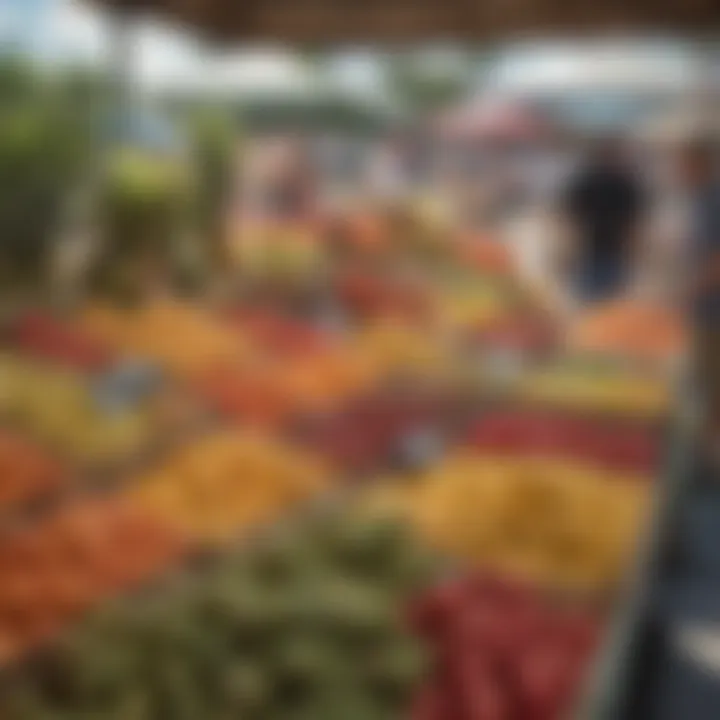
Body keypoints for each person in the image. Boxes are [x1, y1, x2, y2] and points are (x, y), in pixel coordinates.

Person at [562, 136, 648, 303]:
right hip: (614, 246)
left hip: (589, 246)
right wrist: (635, 246)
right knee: (612, 296)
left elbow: (571, 216)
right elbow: (635, 219)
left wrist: (569, 247)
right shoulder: (626, 182)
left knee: (589, 296)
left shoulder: (584, 181)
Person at [677, 136, 720, 450]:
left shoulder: (712, 202)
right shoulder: (703, 200)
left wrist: (687, 293)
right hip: (706, 309)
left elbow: (716, 261)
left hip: (711, 311)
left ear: (700, 164)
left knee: (709, 381)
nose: (677, 171)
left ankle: (710, 448)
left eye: (682, 164)